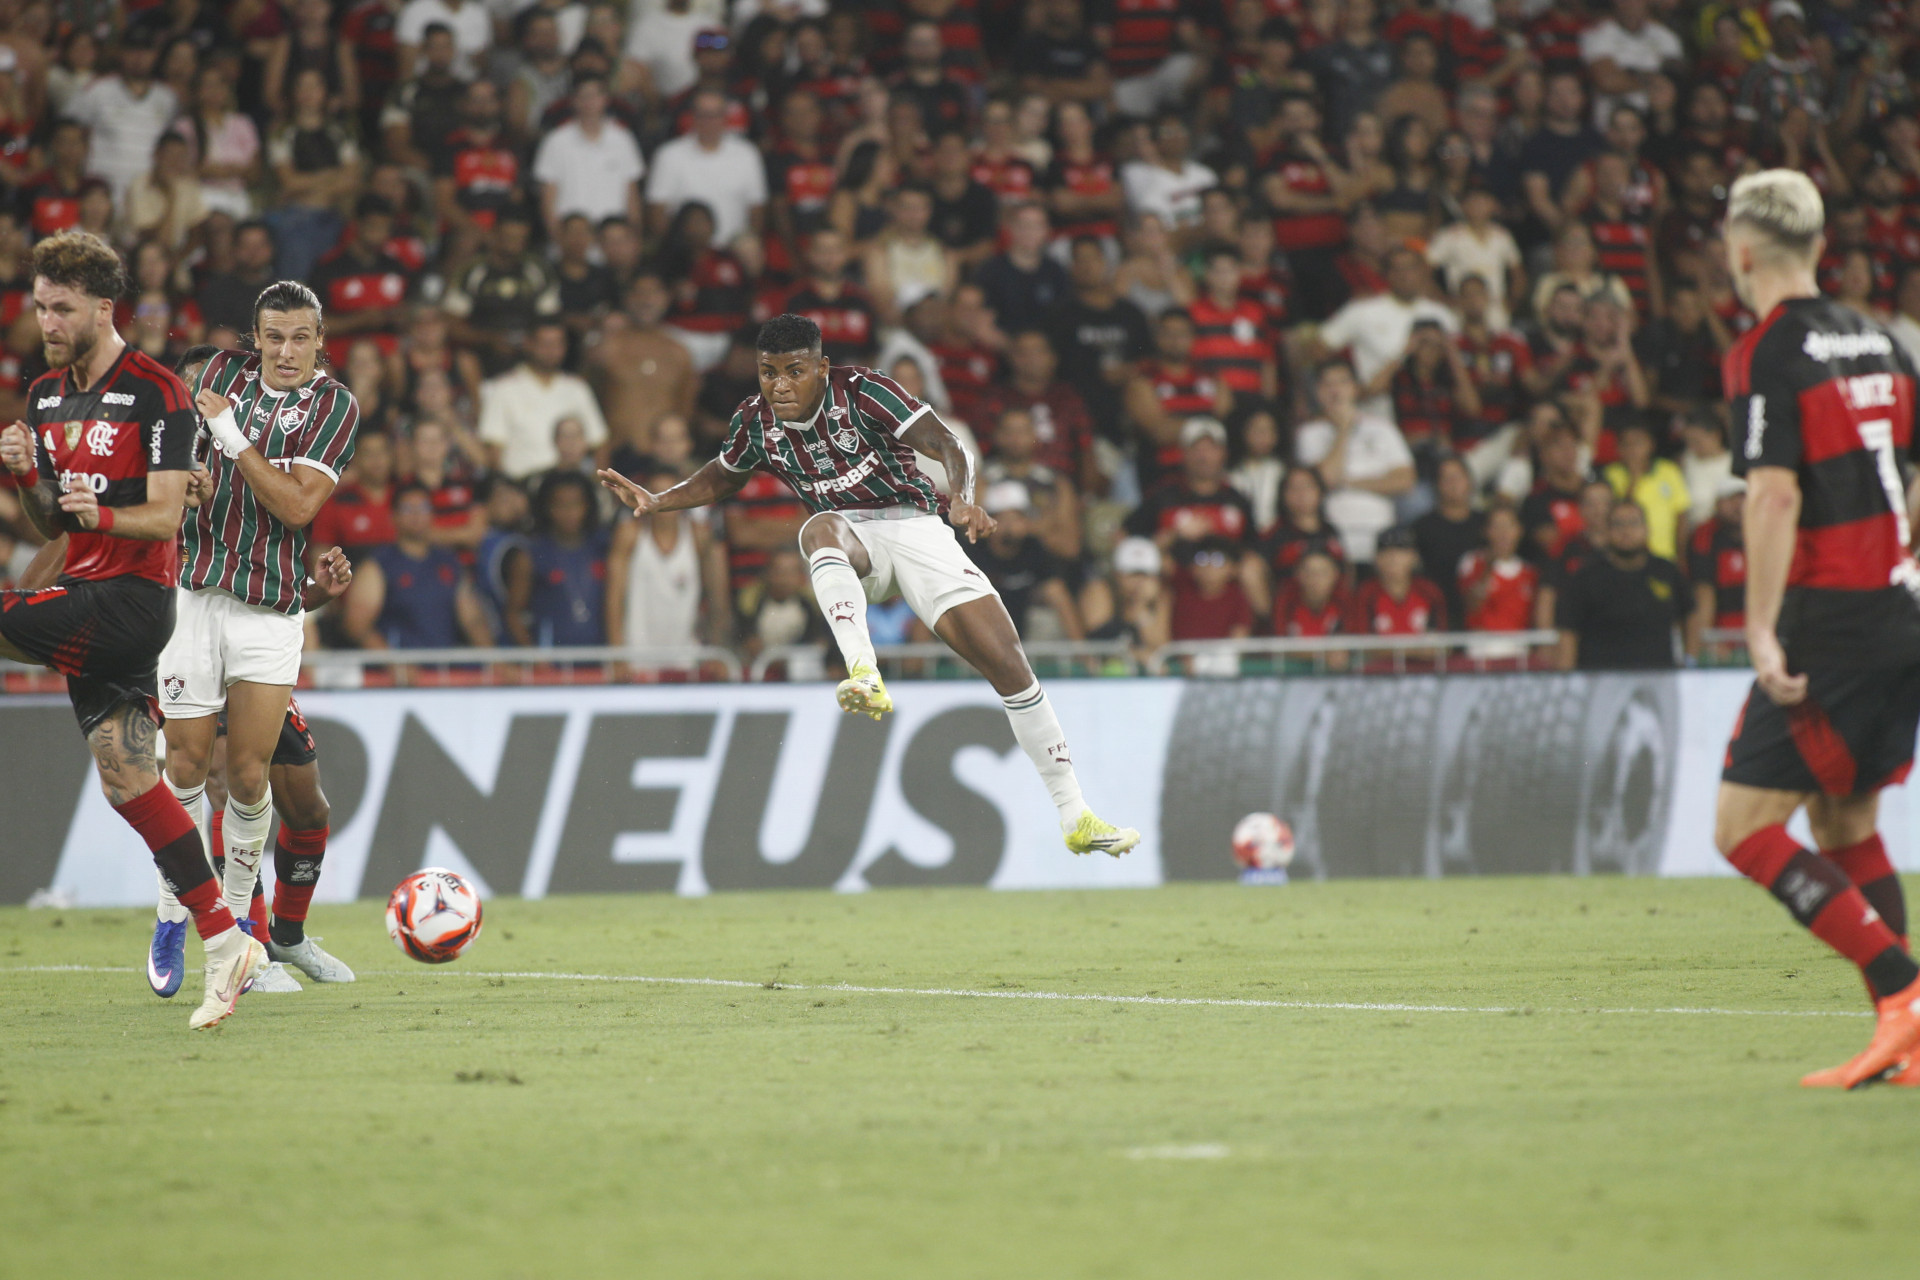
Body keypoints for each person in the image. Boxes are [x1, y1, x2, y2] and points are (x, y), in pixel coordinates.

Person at [597, 313, 1139, 856]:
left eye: (794, 371)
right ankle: (863, 671)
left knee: (1009, 664)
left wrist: (963, 497)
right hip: (854, 542)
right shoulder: (755, 421)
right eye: (768, 372)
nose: (779, 385)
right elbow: (723, 474)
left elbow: (947, 443)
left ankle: (1076, 815)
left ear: (821, 368)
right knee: (818, 528)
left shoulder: (864, 391)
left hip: (916, 526)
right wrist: (660, 500)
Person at [0, 230, 257, 1030]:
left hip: (133, 601)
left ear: (103, 307)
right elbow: (53, 521)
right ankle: (226, 941)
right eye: (40, 306)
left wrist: (101, 512)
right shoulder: (46, 396)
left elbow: (165, 514)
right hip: (84, 592)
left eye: (61, 307)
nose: (46, 321)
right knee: (127, 777)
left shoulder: (156, 391)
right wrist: (26, 475)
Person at [1709, 170, 1920, 1087]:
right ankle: (1907, 1038)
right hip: (1899, 610)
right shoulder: (1884, 339)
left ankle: (1904, 988)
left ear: (1741, 251)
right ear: (1820, 245)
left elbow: (1773, 494)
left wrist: (1760, 630)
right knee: (1844, 823)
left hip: (1829, 620)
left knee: (1742, 829)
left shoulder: (1766, 352)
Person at [158, 278, 362, 1004]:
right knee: (213, 779)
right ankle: (237, 939)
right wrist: (188, 479)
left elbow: (296, 507)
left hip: (265, 616)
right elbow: (181, 481)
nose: (285, 351)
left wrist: (313, 593)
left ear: (320, 341)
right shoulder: (215, 381)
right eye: (273, 337)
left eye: (300, 338)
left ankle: (288, 936)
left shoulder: (330, 405)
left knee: (302, 804)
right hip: (191, 611)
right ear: (254, 341)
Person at [1292, 360, 1416, 563]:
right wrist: (1343, 429)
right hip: (1332, 534)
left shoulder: (1383, 428)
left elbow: (1405, 480)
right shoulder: (1308, 434)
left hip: (1381, 532)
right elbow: (1324, 481)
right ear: (1318, 391)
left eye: (1342, 382)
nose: (1335, 391)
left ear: (1355, 388)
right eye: (1328, 384)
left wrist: (1349, 483)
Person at [343, 481, 494, 648]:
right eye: (408, 509)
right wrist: (391, 660)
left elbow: (473, 620)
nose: (416, 515)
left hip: (444, 662)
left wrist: (494, 658)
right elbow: (357, 625)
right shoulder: (377, 566)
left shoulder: (449, 562)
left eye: (423, 507)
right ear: (393, 516)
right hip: (397, 661)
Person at [1555, 498, 1685, 669]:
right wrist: (1566, 676)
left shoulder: (1666, 572)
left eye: (1633, 523)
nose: (1626, 531)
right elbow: (1569, 631)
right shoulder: (1586, 576)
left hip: (1657, 678)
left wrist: (1690, 659)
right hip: (1600, 678)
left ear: (1647, 529)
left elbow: (1690, 613)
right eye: (1618, 524)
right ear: (1607, 531)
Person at [476, 319, 608, 479]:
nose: (551, 350)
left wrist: (597, 486)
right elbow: (494, 450)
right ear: (528, 344)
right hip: (522, 484)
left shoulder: (577, 388)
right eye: (545, 343)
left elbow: (599, 442)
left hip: (570, 484)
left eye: (557, 344)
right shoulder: (503, 389)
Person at [1412, 454, 1486, 629]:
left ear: (1470, 482)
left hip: (1480, 616)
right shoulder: (1422, 528)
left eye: (1458, 477)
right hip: (1437, 614)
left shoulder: (1486, 525)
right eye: (1446, 478)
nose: (1453, 483)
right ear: (1437, 485)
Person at [1686, 474, 1746, 654]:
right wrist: (1707, 640)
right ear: (1717, 503)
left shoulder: (1765, 533)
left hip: (1759, 630)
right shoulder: (1705, 535)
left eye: (1743, 498)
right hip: (1721, 634)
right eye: (1730, 499)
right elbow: (1703, 591)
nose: (1738, 506)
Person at [1459, 500, 1539, 632]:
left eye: (1508, 526)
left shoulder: (1530, 572)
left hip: (1519, 643)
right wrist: (1488, 567)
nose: (1503, 533)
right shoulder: (1473, 562)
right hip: (1481, 642)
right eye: (1497, 526)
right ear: (1486, 531)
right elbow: (1470, 605)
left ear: (1519, 530)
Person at [1350, 525, 1446, 635]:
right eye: (1386, 552)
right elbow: (1361, 639)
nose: (1393, 558)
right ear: (1376, 558)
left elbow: (1442, 637)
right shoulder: (1366, 593)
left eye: (1401, 552)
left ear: (1414, 557)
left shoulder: (1429, 591)